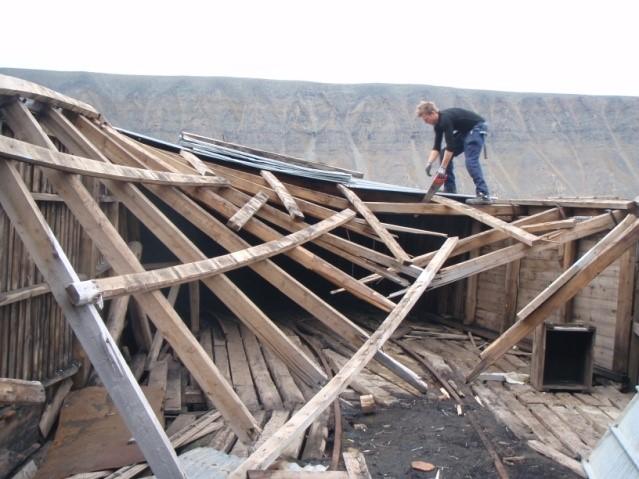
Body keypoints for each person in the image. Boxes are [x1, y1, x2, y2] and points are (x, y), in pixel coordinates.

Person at [416, 100, 492, 204]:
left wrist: (442, 168)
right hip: (465, 131)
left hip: (477, 128)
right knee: (443, 154)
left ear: (433, 113)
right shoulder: (438, 125)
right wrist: (429, 163)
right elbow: (436, 147)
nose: (425, 122)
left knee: (471, 161)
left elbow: (450, 148)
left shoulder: (445, 119)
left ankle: (484, 195)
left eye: (426, 119)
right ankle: (450, 189)